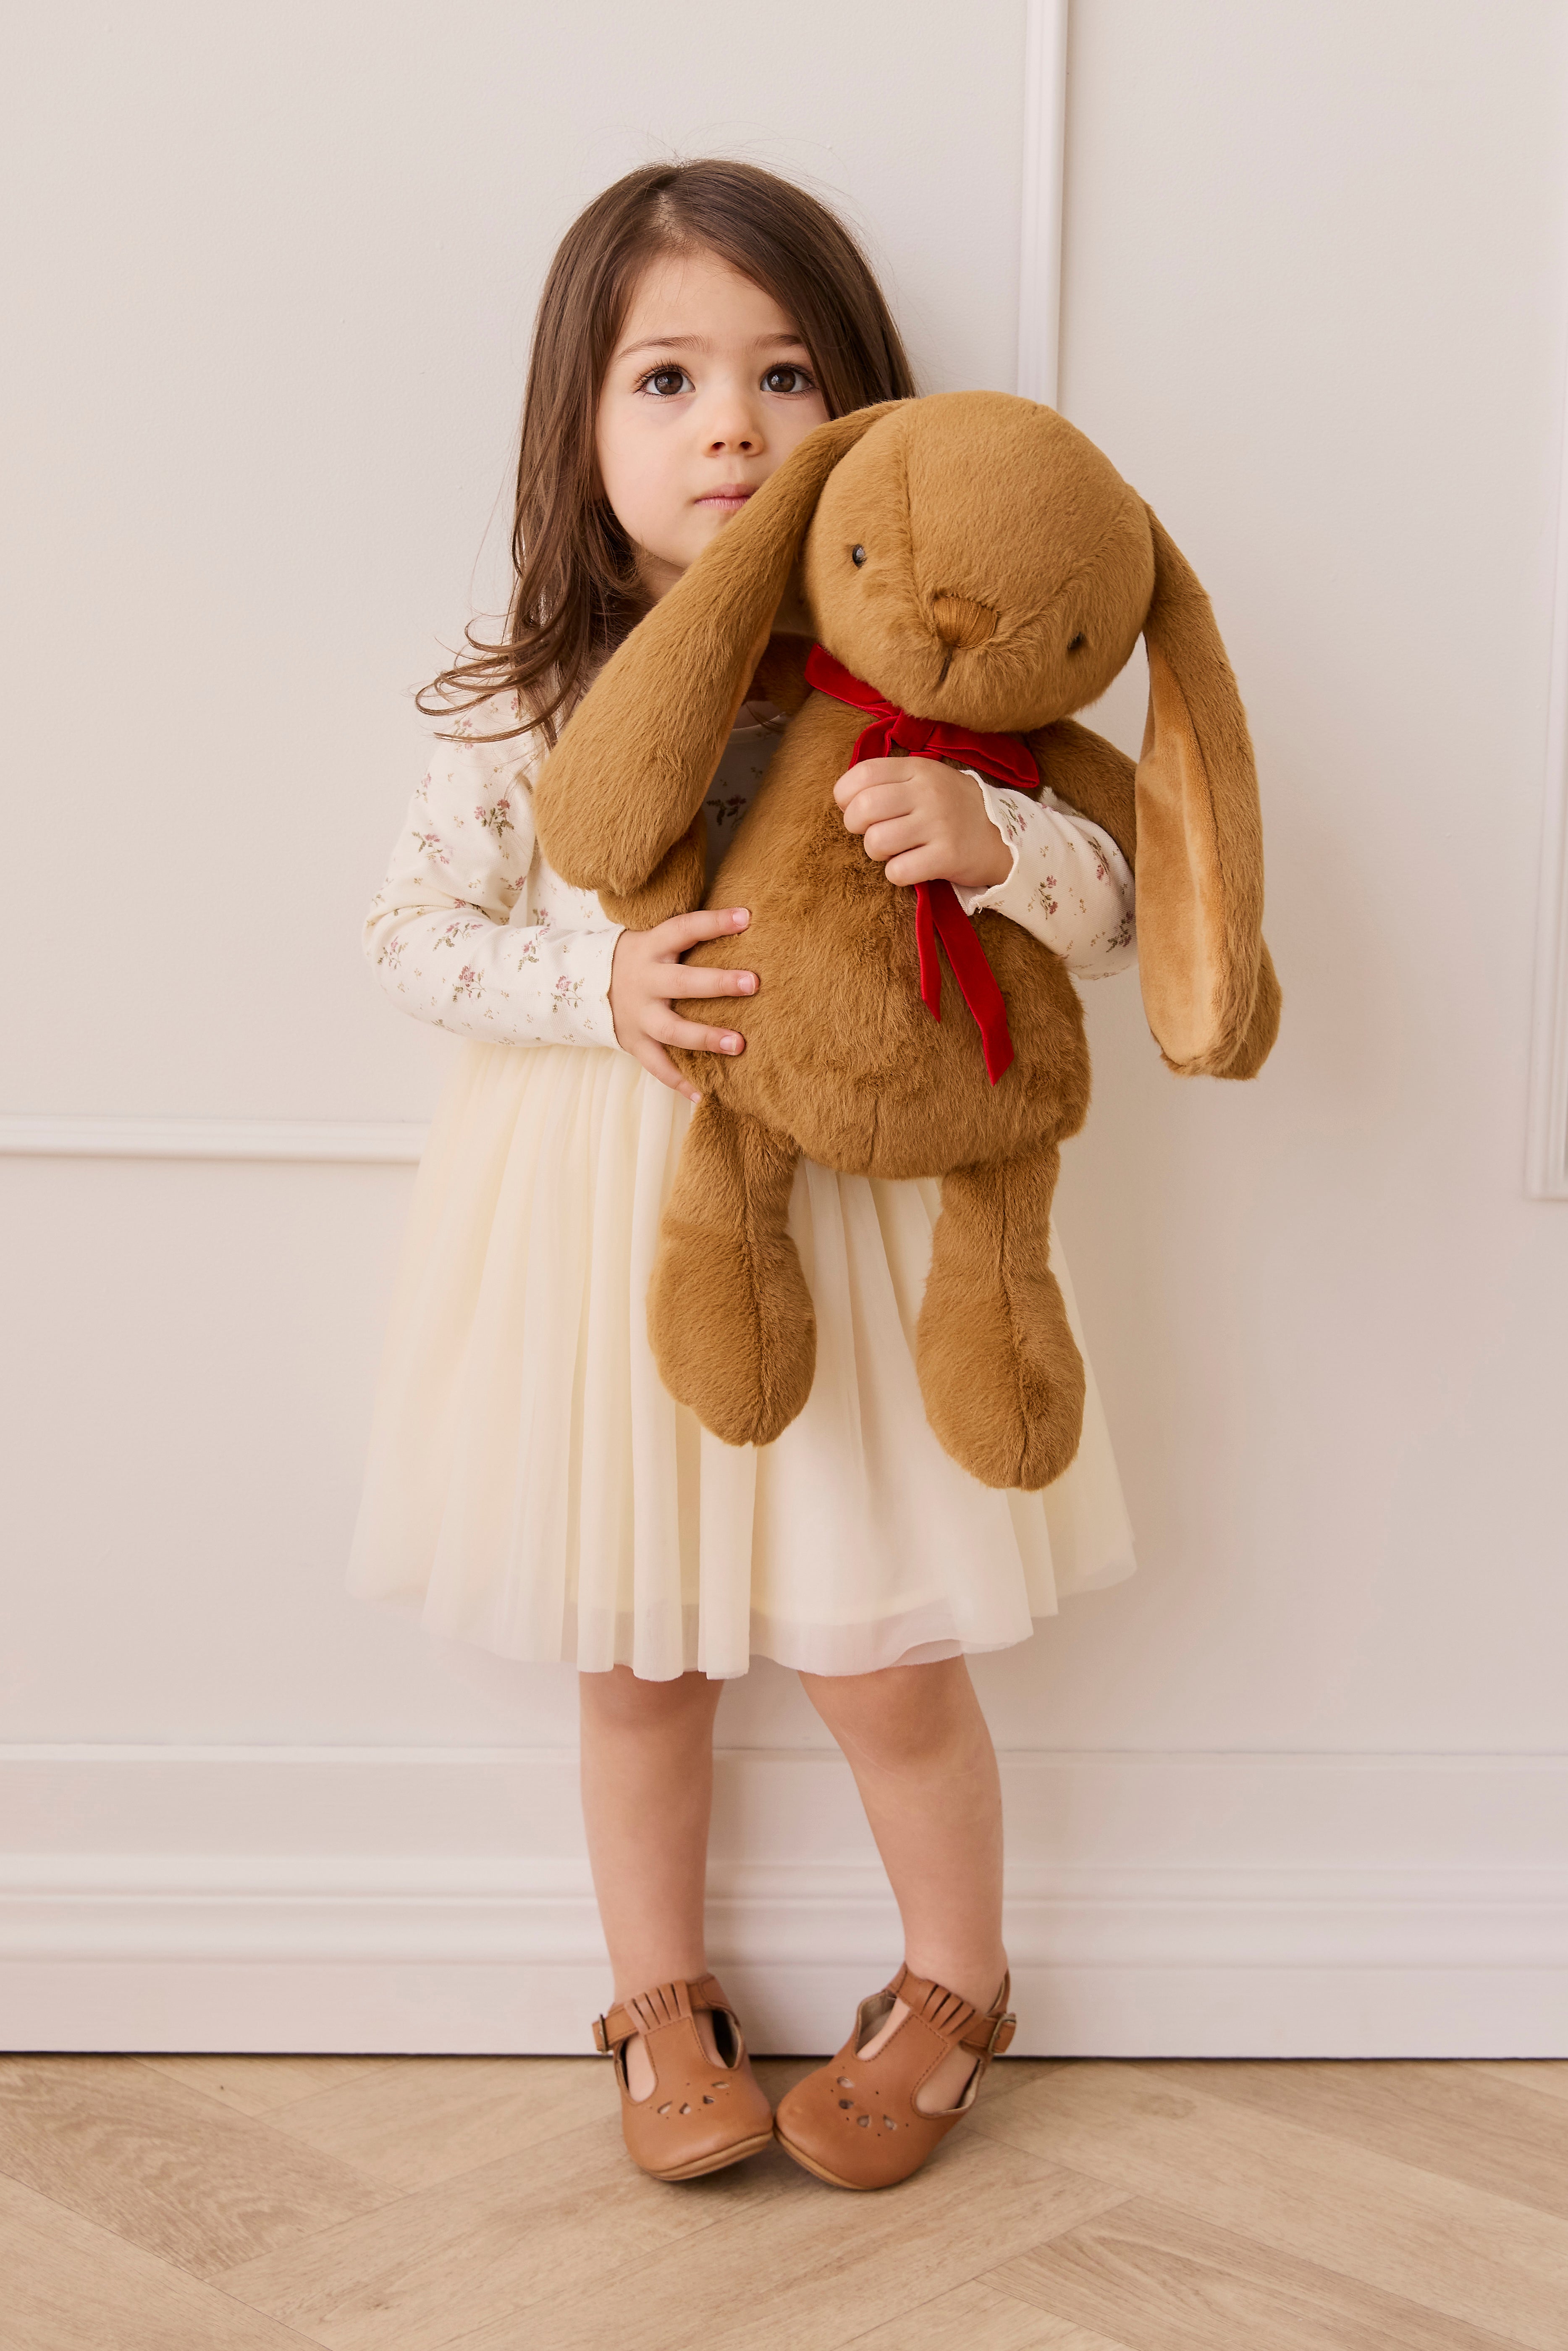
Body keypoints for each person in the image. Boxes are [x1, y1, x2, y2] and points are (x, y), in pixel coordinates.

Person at [349, 158, 1138, 2191]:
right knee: (639, 1654)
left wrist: (994, 847)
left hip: (853, 1223)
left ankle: (954, 1976)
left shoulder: (913, 658)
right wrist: (588, 976)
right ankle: (658, 1993)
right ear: (580, 423)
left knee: (883, 1649)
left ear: (861, 408)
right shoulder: (529, 677)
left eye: (785, 374)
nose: (729, 426)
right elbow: (412, 934)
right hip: (606, 1216)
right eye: (668, 378)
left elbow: (1122, 907)